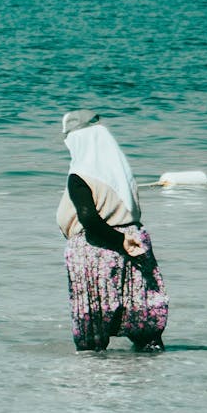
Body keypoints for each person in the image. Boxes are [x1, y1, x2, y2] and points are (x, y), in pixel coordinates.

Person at [56, 109, 168, 352]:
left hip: (97, 250)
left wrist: (119, 241)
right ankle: (151, 372)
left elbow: (90, 221)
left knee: (93, 325)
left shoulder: (79, 176)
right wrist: (126, 240)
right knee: (142, 314)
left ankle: (94, 373)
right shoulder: (121, 170)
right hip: (135, 240)